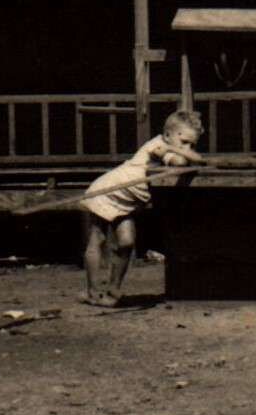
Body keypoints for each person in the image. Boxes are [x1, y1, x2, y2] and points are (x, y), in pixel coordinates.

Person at [77, 107, 202, 306]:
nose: (187, 147)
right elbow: (179, 162)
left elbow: (178, 160)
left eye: (192, 144)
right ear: (168, 135)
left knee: (126, 242)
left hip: (126, 201)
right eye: (184, 141)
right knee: (97, 238)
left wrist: (185, 152)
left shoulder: (169, 147)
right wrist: (190, 154)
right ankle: (92, 291)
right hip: (108, 190)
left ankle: (113, 291)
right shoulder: (157, 145)